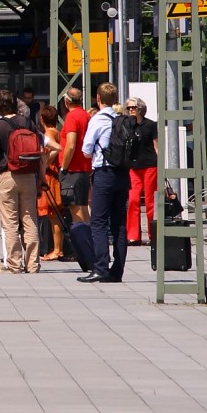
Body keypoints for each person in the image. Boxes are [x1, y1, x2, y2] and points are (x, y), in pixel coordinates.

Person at [0, 89, 45, 274]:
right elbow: (41, 154)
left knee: (10, 222)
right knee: (30, 220)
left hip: (7, 176)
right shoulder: (28, 123)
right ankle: (33, 264)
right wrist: (41, 179)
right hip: (28, 176)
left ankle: (14, 264)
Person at [79, 82, 130, 283]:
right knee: (119, 224)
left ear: (98, 99)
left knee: (98, 222)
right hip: (123, 175)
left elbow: (86, 150)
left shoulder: (98, 120)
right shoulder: (121, 119)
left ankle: (100, 267)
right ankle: (117, 271)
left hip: (104, 173)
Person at [125, 97, 159, 246]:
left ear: (140, 109)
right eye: (128, 108)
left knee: (151, 201)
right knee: (133, 200)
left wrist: (160, 162)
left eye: (133, 107)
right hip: (133, 167)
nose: (130, 110)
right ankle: (133, 236)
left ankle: (153, 234)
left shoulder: (150, 125)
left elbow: (156, 146)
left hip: (150, 165)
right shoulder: (126, 125)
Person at [59, 87, 91, 224]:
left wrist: (63, 167)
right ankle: (90, 240)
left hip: (73, 169)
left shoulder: (71, 117)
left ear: (66, 101)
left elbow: (71, 145)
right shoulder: (86, 115)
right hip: (84, 167)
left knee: (75, 208)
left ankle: (82, 242)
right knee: (83, 207)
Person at [37, 104, 63, 260]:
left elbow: (56, 148)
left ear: (42, 119)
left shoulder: (48, 134)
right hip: (54, 175)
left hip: (50, 176)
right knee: (54, 215)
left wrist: (45, 161)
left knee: (53, 215)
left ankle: (57, 249)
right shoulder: (56, 131)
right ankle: (57, 248)